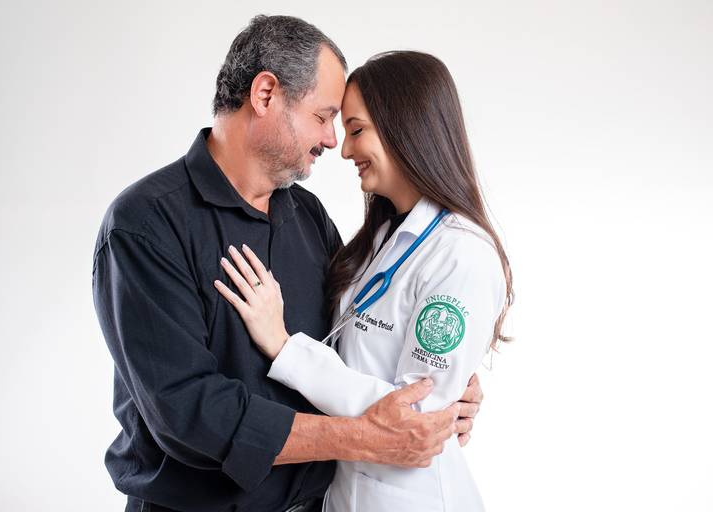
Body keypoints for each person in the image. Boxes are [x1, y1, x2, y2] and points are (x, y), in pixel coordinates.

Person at [92, 16, 484, 512]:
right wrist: (365, 436)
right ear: (265, 94)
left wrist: (442, 389)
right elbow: (187, 413)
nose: (332, 141)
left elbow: (356, 340)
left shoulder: (309, 217)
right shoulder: (146, 224)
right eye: (323, 116)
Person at [215, 51, 514, 511]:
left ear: (404, 127)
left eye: (356, 130)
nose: (344, 149)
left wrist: (284, 347)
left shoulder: (461, 254)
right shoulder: (380, 240)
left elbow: (413, 415)